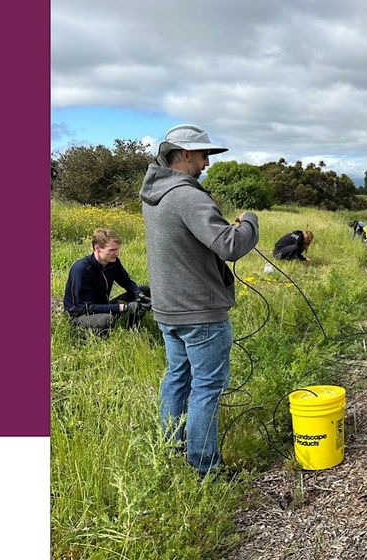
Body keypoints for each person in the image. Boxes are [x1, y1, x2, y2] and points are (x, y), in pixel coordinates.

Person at [140, 124, 259, 475]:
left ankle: (171, 448)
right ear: (185, 154)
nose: (207, 162)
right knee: (206, 388)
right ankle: (206, 467)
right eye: (204, 154)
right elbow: (231, 245)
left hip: (168, 310)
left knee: (177, 379)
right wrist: (250, 220)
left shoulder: (154, 195)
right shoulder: (188, 196)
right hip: (200, 313)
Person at [62, 228, 151, 336]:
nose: (117, 253)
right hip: (80, 315)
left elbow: (126, 281)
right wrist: (125, 307)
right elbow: (85, 308)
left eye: (118, 249)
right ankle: (92, 338)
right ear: (97, 248)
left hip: (102, 306)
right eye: (112, 250)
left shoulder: (112, 262)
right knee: (107, 319)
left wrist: (138, 293)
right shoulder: (81, 269)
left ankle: (132, 330)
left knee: (145, 290)